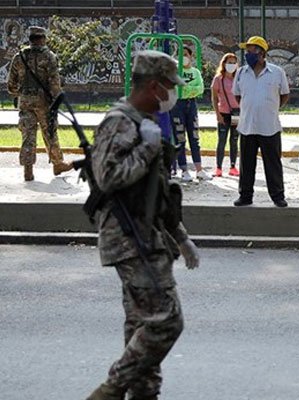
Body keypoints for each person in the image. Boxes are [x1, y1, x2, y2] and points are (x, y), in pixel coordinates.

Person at [85, 50, 200, 400]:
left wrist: (180, 237)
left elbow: (157, 193)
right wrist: (147, 150)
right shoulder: (120, 122)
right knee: (166, 321)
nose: (172, 95)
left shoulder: (142, 122)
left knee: (141, 325)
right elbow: (108, 178)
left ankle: (144, 394)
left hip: (147, 235)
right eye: (169, 87)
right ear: (153, 86)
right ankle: (109, 391)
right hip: (128, 238)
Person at [6, 26, 72, 182]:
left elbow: (10, 85)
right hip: (44, 102)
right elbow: (55, 84)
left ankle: (28, 171)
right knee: (49, 132)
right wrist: (56, 101)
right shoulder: (49, 57)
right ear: (43, 38)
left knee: (27, 135)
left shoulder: (19, 57)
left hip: (25, 102)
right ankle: (58, 164)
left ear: (30, 39)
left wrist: (21, 94)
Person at [232, 36, 290, 207]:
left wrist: (271, 107)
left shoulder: (277, 72)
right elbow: (237, 95)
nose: (247, 54)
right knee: (247, 164)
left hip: (269, 125)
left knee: (273, 164)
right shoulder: (241, 72)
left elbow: (285, 94)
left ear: (262, 53)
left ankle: (278, 196)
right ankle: (245, 195)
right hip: (247, 125)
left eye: (251, 50)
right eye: (247, 50)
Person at [171, 46, 210, 182]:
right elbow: (175, 88)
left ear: (191, 56)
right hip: (177, 105)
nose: (184, 57)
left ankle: (199, 169)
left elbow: (199, 88)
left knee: (194, 136)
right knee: (180, 138)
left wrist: (186, 89)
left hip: (190, 104)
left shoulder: (195, 72)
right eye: (181, 55)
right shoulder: (175, 72)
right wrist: (187, 88)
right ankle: (184, 170)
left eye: (186, 54)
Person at [211, 52, 241, 177]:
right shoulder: (218, 79)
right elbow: (214, 97)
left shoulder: (239, 78)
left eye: (234, 63)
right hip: (223, 112)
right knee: (221, 140)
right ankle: (218, 167)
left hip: (237, 113)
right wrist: (217, 114)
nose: (232, 65)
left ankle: (233, 166)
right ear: (223, 63)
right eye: (229, 62)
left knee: (234, 140)